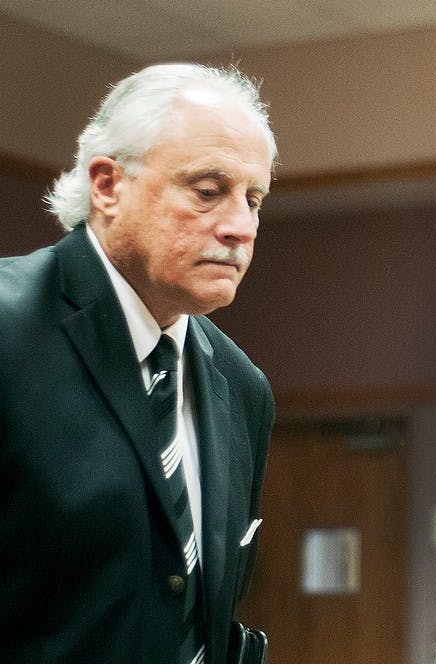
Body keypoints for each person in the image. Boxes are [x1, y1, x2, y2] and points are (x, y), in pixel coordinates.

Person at [0, 63, 276, 663]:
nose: (239, 227)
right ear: (107, 186)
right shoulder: (8, 329)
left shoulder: (241, 385)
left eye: (252, 199)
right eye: (208, 192)